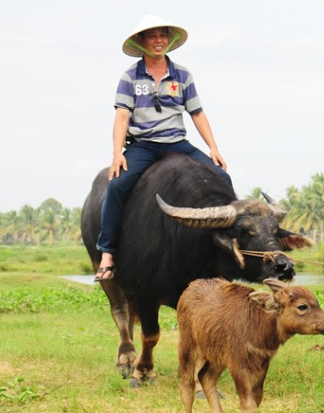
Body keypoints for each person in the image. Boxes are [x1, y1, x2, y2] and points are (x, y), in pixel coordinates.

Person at [95, 14, 232, 281]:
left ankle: (227, 245)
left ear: (169, 41)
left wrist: (213, 148)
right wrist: (116, 154)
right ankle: (108, 252)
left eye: (163, 36)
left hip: (177, 144)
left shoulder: (182, 74)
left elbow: (197, 113)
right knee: (116, 186)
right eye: (152, 36)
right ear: (141, 41)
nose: (158, 41)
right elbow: (122, 116)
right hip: (143, 146)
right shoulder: (130, 77)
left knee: (223, 177)